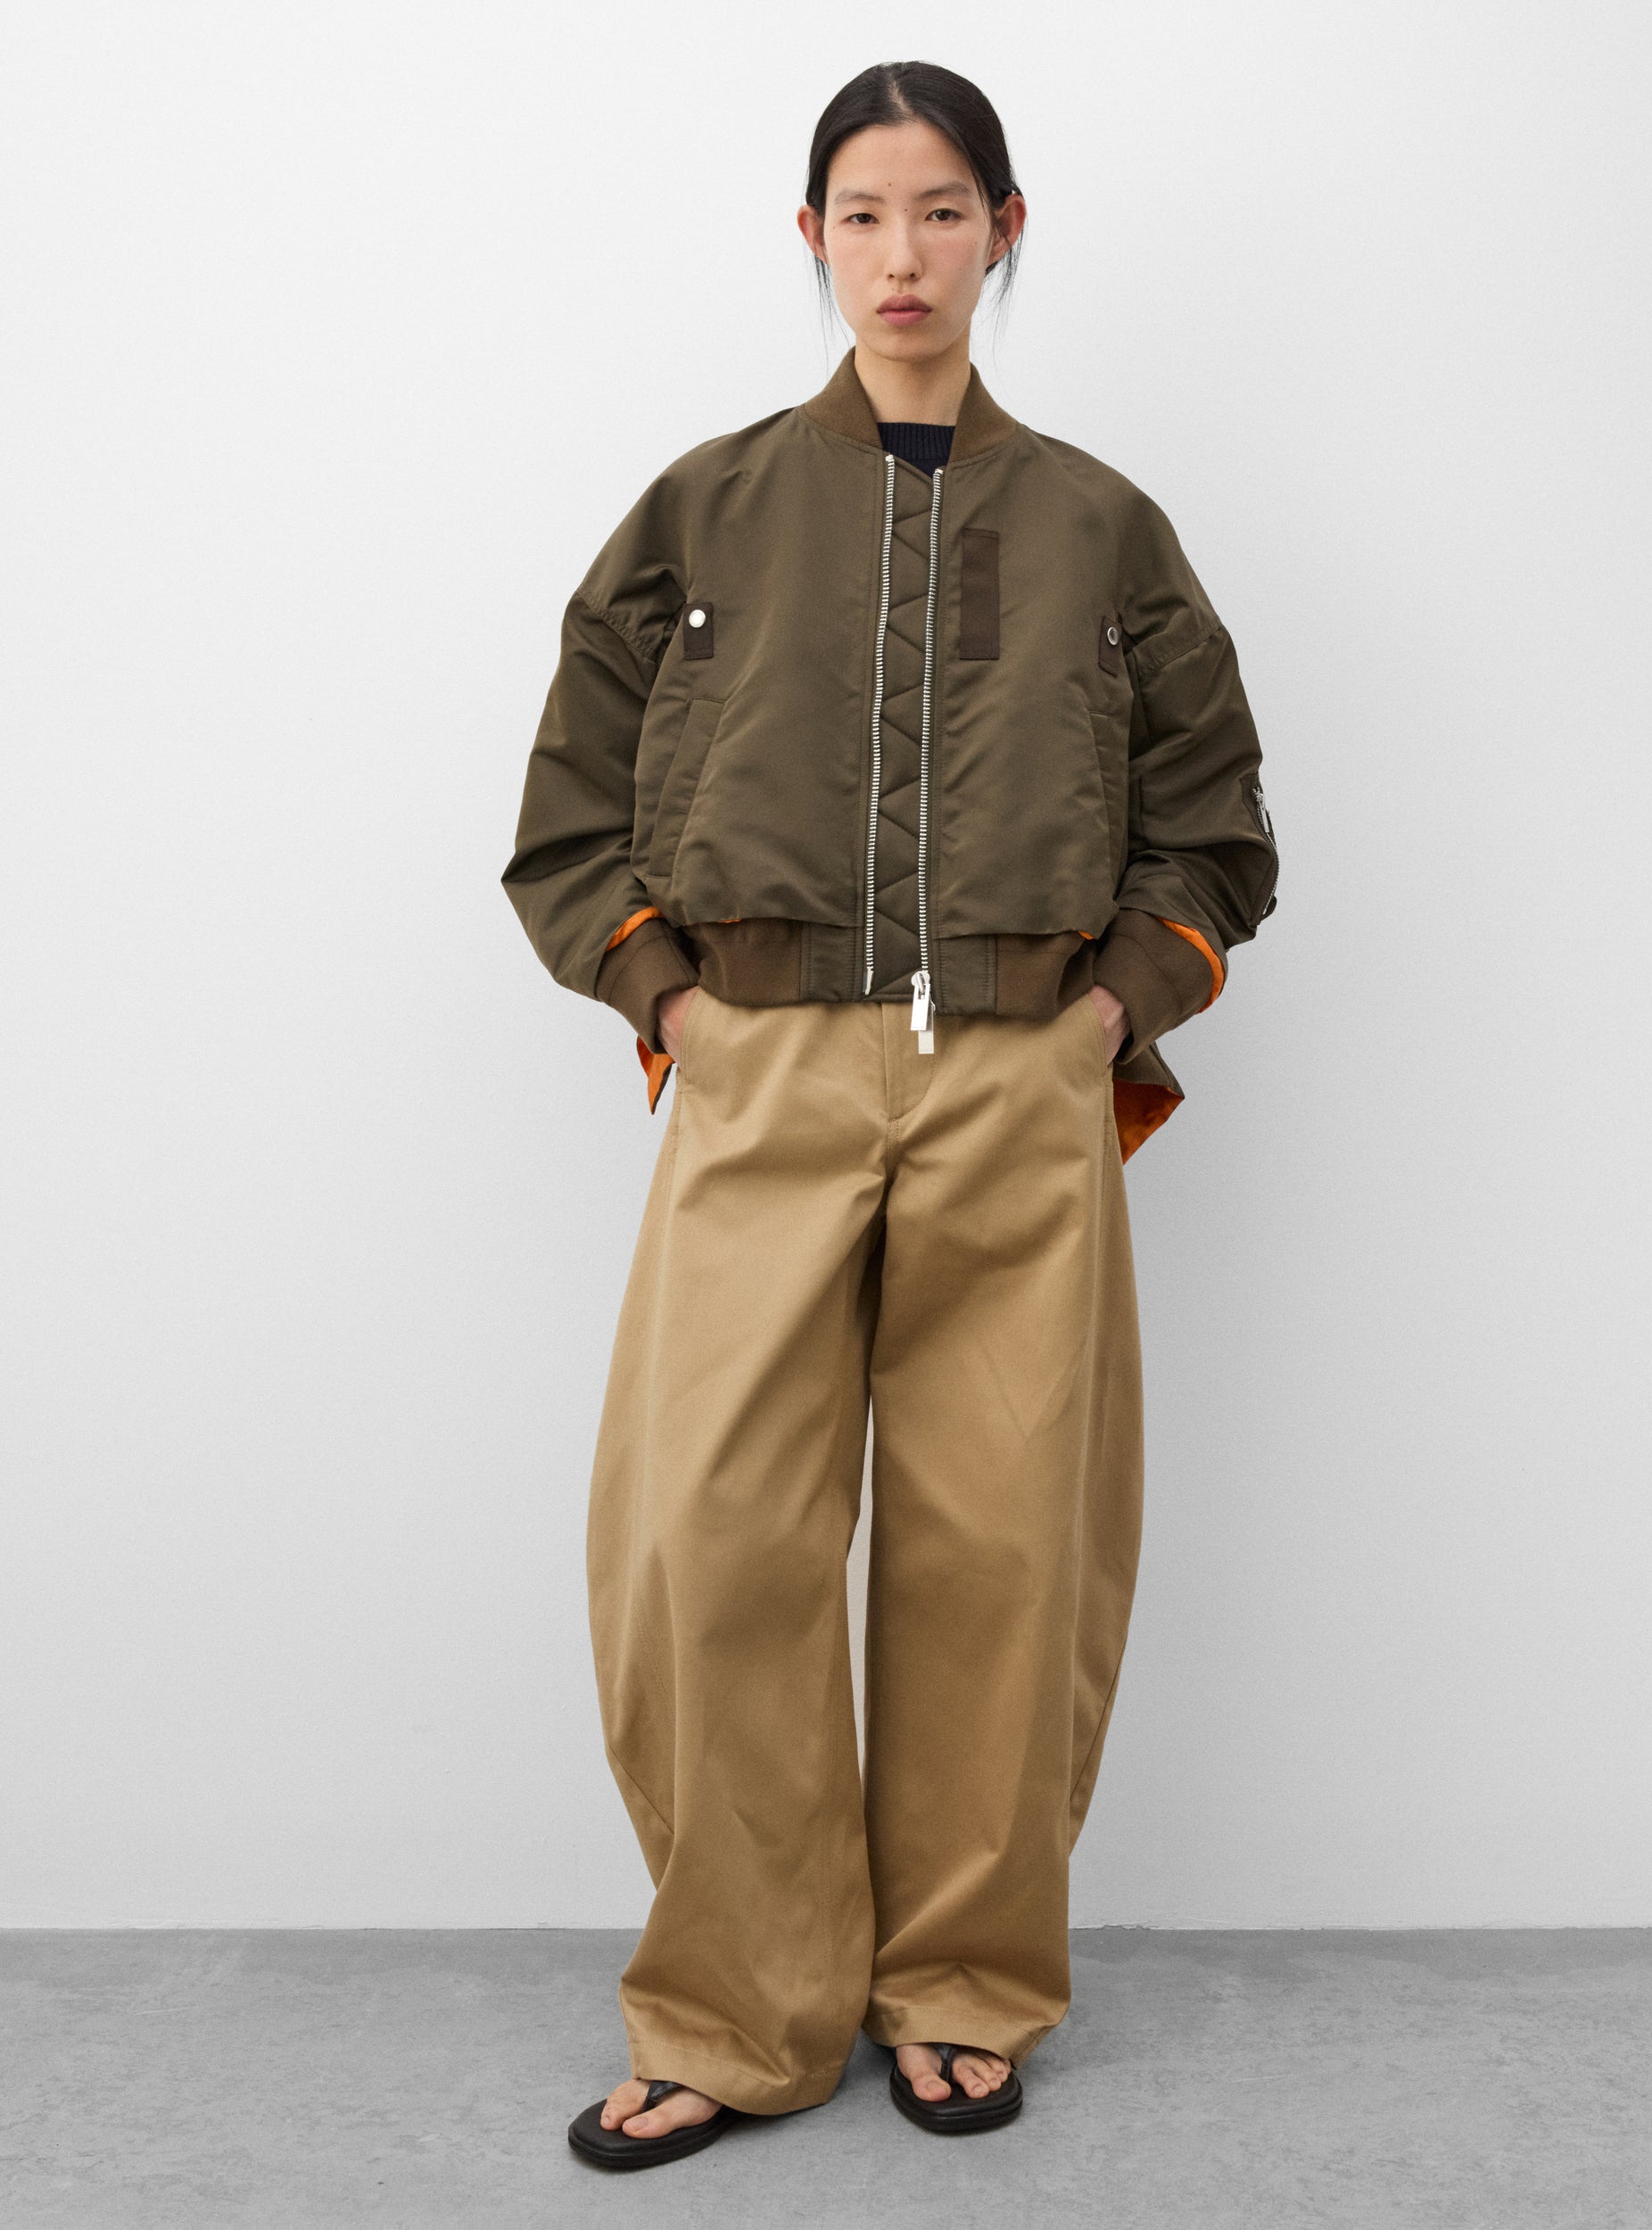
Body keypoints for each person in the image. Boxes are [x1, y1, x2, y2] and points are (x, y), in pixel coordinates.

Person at [502, 58, 1278, 2172]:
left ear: (1003, 232)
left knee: (1003, 1550)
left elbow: (1215, 827)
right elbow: (568, 818)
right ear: (812, 239)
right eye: (862, 212)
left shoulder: (1100, 524)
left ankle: (959, 1984)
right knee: (705, 1536)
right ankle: (738, 2008)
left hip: (1021, 1078)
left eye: (943, 211)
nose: (902, 253)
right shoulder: (709, 509)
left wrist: (1106, 1010)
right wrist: (675, 1001)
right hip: (758, 1069)